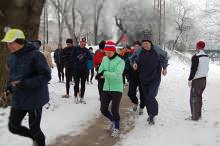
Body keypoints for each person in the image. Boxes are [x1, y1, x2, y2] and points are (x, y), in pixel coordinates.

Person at [1, 29, 51, 146]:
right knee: (13, 126)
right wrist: (8, 87)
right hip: (19, 98)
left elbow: (46, 75)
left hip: (34, 98)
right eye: (7, 43)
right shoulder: (11, 57)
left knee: (34, 128)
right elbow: (12, 76)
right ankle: (35, 138)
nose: (9, 46)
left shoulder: (36, 55)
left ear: (20, 42)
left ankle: (39, 141)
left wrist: (25, 83)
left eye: (11, 43)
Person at [133, 40, 167, 125]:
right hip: (143, 78)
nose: (145, 45)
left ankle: (153, 114)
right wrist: (135, 63)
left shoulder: (157, 50)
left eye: (147, 43)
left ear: (150, 43)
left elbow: (164, 58)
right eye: (143, 44)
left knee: (151, 96)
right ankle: (150, 114)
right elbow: (134, 59)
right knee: (147, 98)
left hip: (155, 78)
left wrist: (164, 68)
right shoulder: (140, 51)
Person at [97, 41, 125, 137]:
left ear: (114, 51)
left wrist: (104, 73)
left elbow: (117, 75)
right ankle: (112, 120)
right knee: (103, 109)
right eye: (106, 52)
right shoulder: (104, 58)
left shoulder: (120, 61)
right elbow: (100, 70)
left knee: (114, 109)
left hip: (117, 88)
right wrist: (102, 73)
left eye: (110, 52)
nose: (108, 54)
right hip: (106, 87)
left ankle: (117, 128)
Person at [188, 41, 209, 121]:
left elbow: (193, 70)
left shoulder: (196, 57)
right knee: (199, 97)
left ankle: (194, 116)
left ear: (197, 46)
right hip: (204, 80)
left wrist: (190, 79)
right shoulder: (207, 56)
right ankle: (198, 114)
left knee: (194, 98)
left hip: (197, 81)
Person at [72, 37, 92, 104]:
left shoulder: (87, 50)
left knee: (83, 84)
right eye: (82, 42)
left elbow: (90, 59)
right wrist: (77, 60)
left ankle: (82, 97)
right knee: (76, 84)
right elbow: (72, 57)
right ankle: (75, 96)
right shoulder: (75, 49)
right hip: (76, 69)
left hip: (84, 70)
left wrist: (89, 68)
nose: (83, 44)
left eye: (84, 43)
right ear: (80, 42)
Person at [128, 41, 145, 115]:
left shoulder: (143, 55)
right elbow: (126, 65)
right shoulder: (131, 54)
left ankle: (141, 107)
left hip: (142, 78)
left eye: (138, 47)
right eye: (135, 46)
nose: (136, 48)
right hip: (133, 77)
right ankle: (135, 102)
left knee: (143, 95)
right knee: (130, 93)